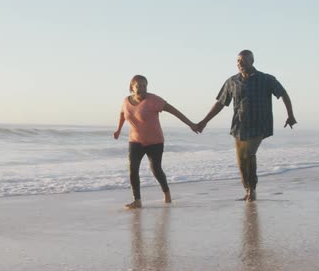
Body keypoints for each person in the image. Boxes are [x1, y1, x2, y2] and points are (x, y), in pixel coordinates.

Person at [195, 50, 297, 202]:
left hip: (259, 124)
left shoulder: (266, 79)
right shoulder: (232, 81)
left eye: (243, 61)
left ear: (252, 61)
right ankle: (247, 189)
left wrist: (290, 115)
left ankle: (253, 190)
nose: (240, 64)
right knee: (241, 161)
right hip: (239, 126)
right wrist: (204, 121)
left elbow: (283, 94)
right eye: (238, 61)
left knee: (249, 154)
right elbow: (220, 103)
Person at [114, 75, 200, 209]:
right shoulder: (126, 101)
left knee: (156, 169)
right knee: (133, 168)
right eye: (138, 86)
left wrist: (191, 124)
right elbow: (122, 114)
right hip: (136, 141)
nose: (142, 89)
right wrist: (118, 130)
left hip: (155, 141)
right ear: (132, 87)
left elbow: (174, 111)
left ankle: (167, 193)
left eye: (144, 86)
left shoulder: (153, 100)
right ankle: (137, 200)